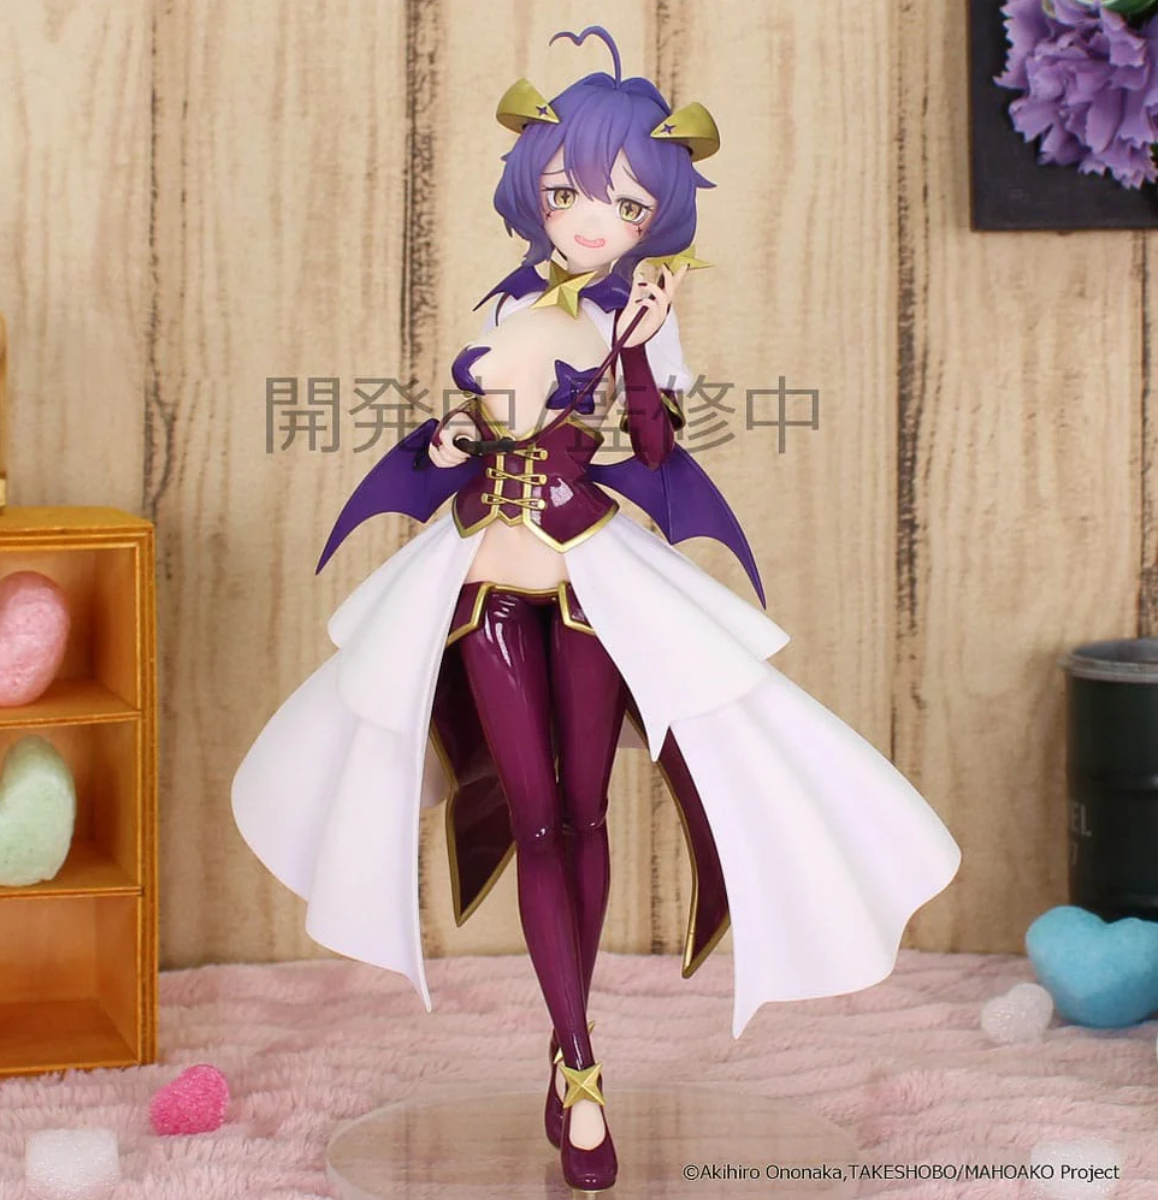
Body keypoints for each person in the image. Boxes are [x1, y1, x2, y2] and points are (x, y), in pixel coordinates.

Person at [231, 26, 961, 1193]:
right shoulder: (507, 304)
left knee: (585, 813)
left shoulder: (639, 319)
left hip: (585, 579)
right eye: (569, 191)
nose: (588, 218)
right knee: (532, 816)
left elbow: (658, 448)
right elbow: (461, 428)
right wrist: (451, 437)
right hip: (483, 581)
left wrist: (634, 351)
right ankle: (577, 1062)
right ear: (535, 189)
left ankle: (576, 1057)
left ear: (652, 218)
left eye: (622, 203)